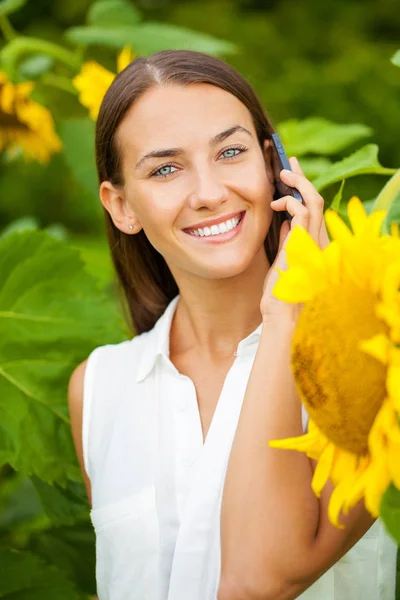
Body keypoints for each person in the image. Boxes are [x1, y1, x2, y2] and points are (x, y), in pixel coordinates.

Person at [68, 50, 397, 600]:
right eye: (166, 168)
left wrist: (287, 308)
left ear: (273, 166)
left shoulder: (373, 353)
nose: (210, 193)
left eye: (231, 152)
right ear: (121, 205)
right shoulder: (99, 388)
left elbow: (256, 580)